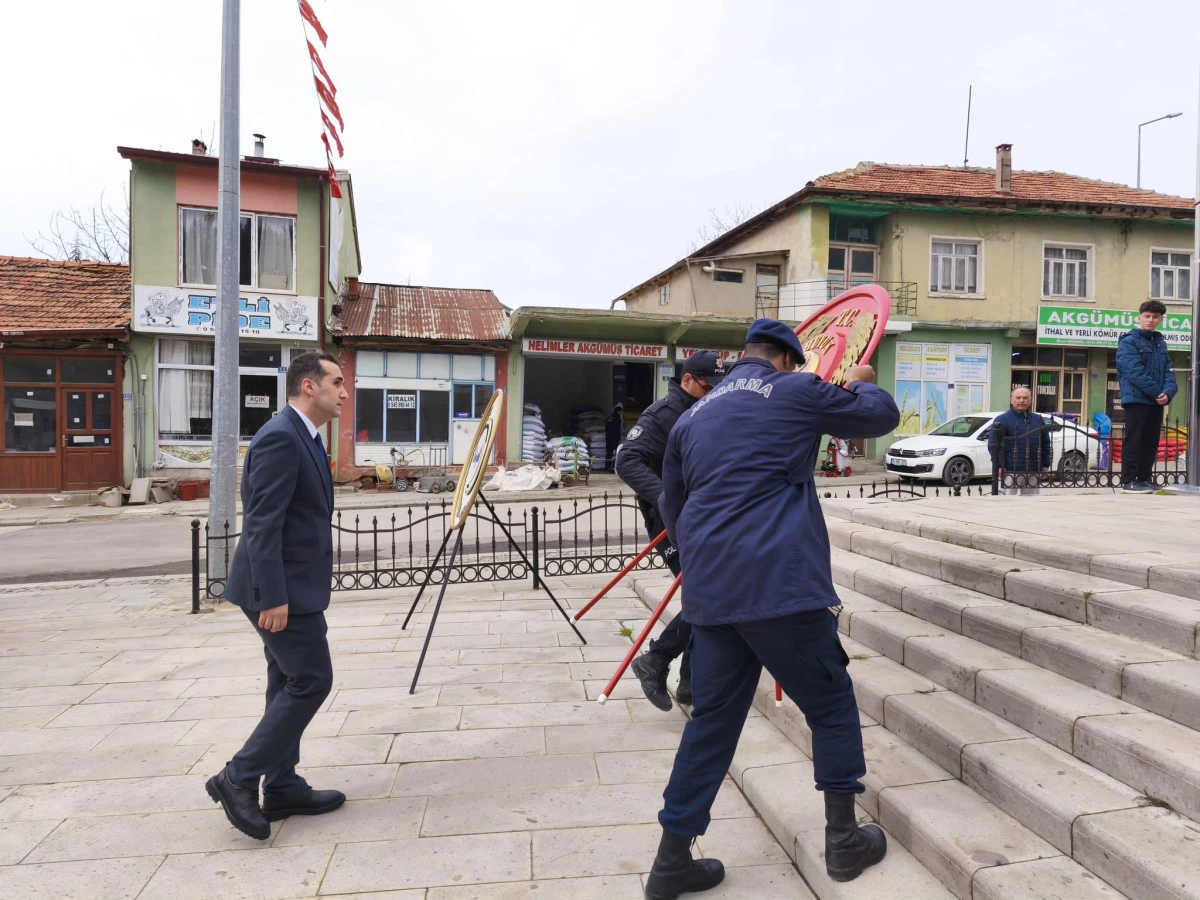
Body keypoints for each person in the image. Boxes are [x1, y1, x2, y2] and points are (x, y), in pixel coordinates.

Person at [642, 319, 899, 899]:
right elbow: (879, 419)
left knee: (710, 725)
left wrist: (705, 561)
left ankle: (670, 863)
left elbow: (671, 503)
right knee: (830, 705)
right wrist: (860, 381)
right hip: (780, 588)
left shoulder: (691, 417)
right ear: (787, 359)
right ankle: (842, 843)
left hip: (712, 597)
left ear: (745, 358)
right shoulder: (796, 390)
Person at [206, 351, 349, 840]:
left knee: (286, 681)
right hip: (279, 589)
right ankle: (238, 778)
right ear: (309, 387)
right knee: (311, 680)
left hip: (293, 585)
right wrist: (272, 596)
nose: (344, 392)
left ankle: (283, 786)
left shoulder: (302, 435)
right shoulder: (281, 438)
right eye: (337, 381)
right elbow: (262, 523)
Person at [615, 351, 727, 711]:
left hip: (701, 519)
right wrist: (668, 497)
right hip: (671, 522)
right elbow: (626, 460)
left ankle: (690, 683)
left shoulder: (706, 409)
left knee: (707, 594)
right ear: (688, 380)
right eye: (707, 387)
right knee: (708, 595)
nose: (711, 394)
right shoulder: (663, 414)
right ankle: (657, 660)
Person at [1116, 300, 1177, 492]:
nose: (1151, 320)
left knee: (1151, 441)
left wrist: (1167, 392)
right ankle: (1129, 481)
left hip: (1156, 400)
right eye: (1147, 316)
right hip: (1137, 399)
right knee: (1135, 439)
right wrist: (1156, 392)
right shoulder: (1129, 341)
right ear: (1139, 317)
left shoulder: (1160, 343)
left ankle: (1144, 478)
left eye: (1155, 317)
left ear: (1161, 319)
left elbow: (1169, 371)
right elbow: (1133, 371)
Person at [988, 386, 1051, 494]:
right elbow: (994, 445)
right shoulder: (1002, 419)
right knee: (1007, 502)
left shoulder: (1038, 419)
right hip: (1010, 470)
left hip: (1033, 469)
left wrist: (1045, 464)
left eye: (1025, 398)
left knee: (1031, 504)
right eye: (1018, 397)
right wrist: (999, 465)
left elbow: (1045, 443)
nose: (1022, 400)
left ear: (1030, 400)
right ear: (1011, 400)